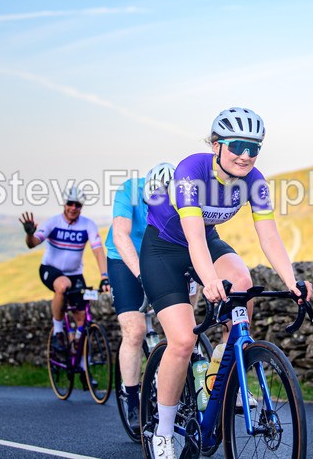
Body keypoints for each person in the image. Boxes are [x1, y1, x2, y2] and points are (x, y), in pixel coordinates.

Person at [140, 107, 313, 458]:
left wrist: (292, 282)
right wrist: (208, 280)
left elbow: (269, 236)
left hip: (206, 240)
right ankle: (162, 432)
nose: (246, 156)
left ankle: (218, 371)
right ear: (217, 144)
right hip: (164, 248)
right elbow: (192, 239)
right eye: (237, 146)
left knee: (242, 281)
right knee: (182, 340)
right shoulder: (192, 169)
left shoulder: (255, 180)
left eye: (254, 148)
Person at [106, 162, 175, 432]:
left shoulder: (181, 195)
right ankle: (132, 398)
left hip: (159, 255)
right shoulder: (129, 190)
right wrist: (142, 276)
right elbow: (121, 235)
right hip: (123, 259)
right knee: (134, 331)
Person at [19, 185, 109, 387]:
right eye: (70, 203)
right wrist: (29, 234)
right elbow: (33, 243)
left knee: (82, 320)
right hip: (50, 270)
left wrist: (105, 276)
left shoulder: (88, 225)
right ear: (64, 204)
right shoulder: (53, 222)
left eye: (78, 205)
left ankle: (83, 367)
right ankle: (58, 331)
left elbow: (97, 250)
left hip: (76, 274)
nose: (73, 208)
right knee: (62, 286)